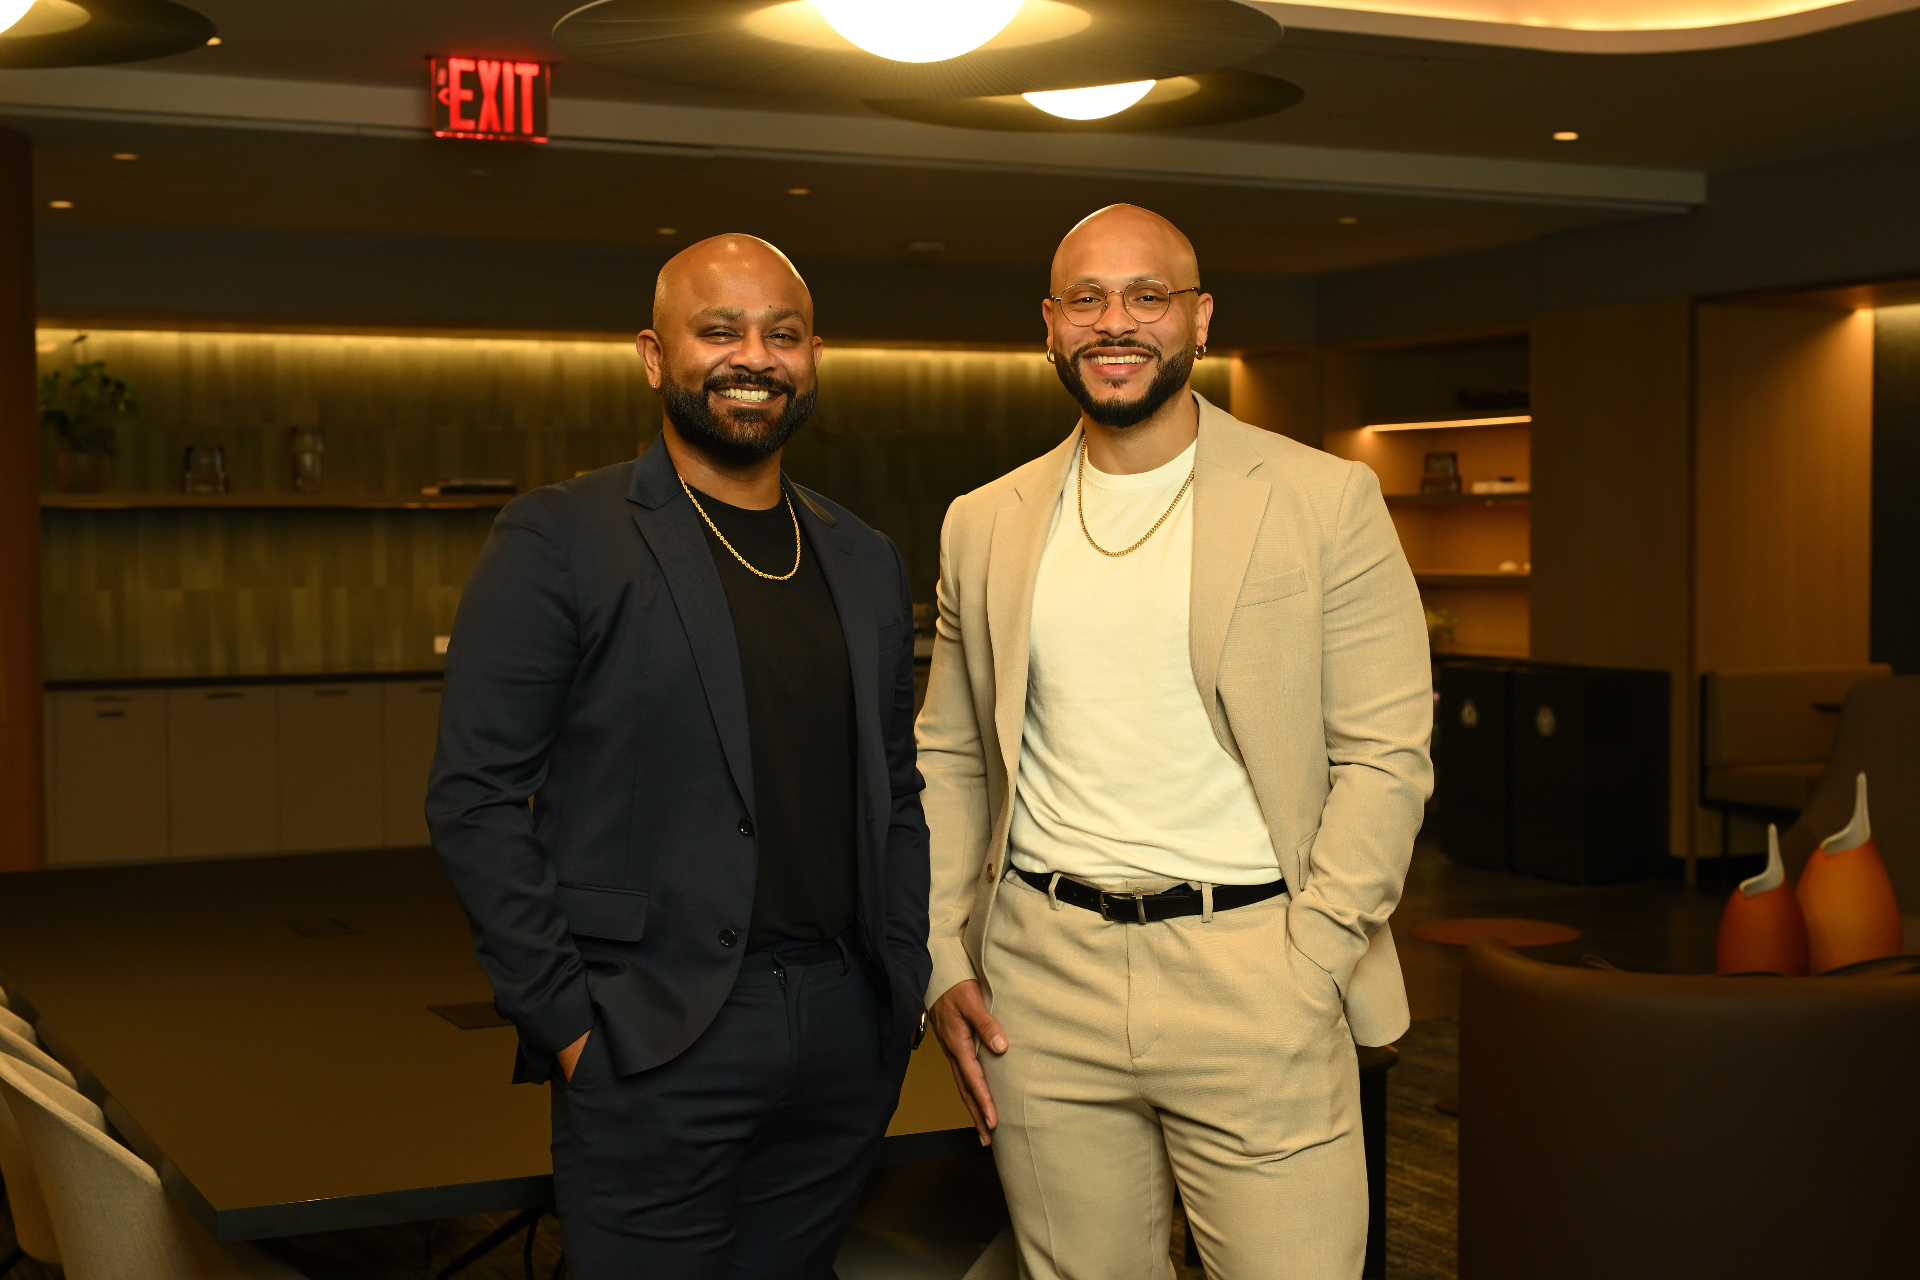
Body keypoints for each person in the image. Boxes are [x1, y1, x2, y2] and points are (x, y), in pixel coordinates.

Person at [916, 205, 1432, 1279]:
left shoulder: (1325, 497)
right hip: (1040, 982)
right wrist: (944, 956)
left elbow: (1386, 755)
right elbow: (952, 756)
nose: (1118, 322)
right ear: (1050, 326)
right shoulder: (984, 521)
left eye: (1147, 296)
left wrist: (1316, 954)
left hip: (1254, 964)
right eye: (1089, 300)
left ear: (1198, 317)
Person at [428, 234, 931, 1280]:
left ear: (814, 355)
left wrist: (902, 977)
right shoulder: (561, 537)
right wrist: (568, 1024)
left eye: (780, 333)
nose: (754, 355)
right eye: (720, 330)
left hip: (843, 1027)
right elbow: (474, 798)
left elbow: (895, 789)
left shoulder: (863, 555)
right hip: (652, 1033)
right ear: (656, 357)